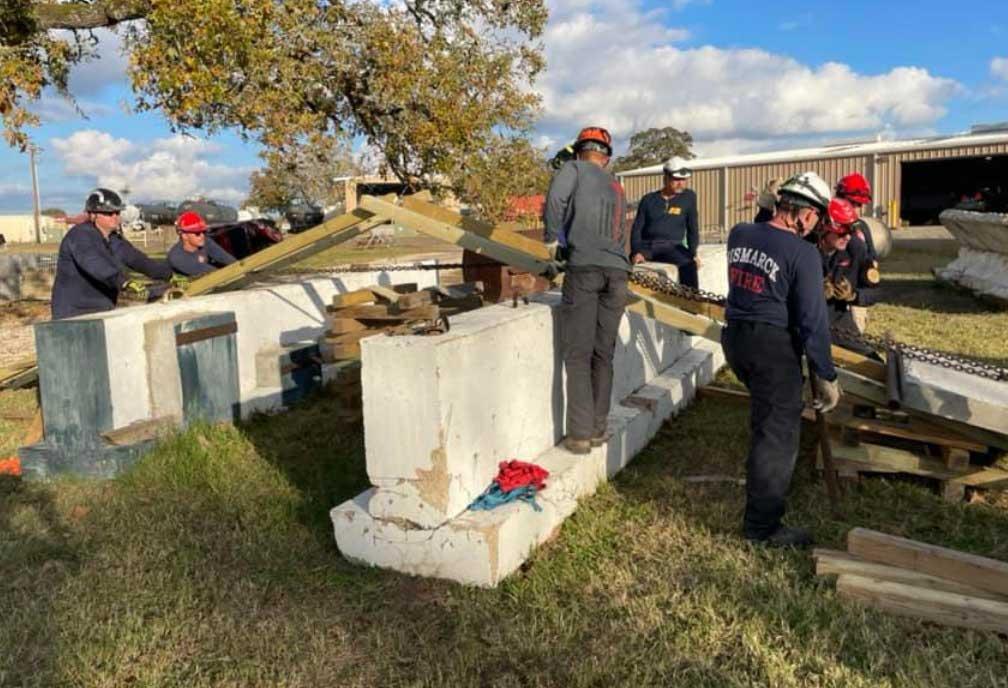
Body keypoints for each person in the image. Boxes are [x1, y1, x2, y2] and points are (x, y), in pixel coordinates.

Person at [721, 171, 840, 548]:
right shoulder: (803, 253)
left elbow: (762, 238)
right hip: (772, 347)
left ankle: (759, 489)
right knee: (778, 437)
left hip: (736, 339)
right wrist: (825, 373)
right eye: (817, 219)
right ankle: (762, 528)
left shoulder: (739, 234)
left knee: (765, 421)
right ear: (806, 215)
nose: (817, 227)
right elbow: (811, 320)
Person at [544, 126, 630, 454]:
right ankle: (597, 430)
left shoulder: (572, 168)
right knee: (602, 355)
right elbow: (621, 229)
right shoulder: (617, 186)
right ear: (606, 158)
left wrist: (553, 240)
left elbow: (555, 199)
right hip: (617, 275)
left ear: (580, 151)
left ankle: (579, 436)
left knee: (577, 355)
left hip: (584, 272)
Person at [51, 188, 172, 320]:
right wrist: (124, 282)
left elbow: (139, 260)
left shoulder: (113, 239)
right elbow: (95, 264)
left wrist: (169, 275)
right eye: (109, 213)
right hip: (73, 314)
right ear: (93, 215)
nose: (115, 216)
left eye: (117, 212)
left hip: (102, 310)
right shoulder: (80, 235)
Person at [818, 198, 880, 357]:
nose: (847, 237)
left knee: (871, 361)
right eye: (842, 232)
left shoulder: (855, 248)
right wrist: (815, 292)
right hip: (806, 320)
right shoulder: (804, 247)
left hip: (838, 320)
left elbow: (875, 292)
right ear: (824, 228)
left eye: (851, 232)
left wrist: (853, 295)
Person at [630, 156, 701, 288]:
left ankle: (691, 305)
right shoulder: (648, 200)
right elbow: (637, 229)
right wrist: (636, 251)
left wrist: (693, 253)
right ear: (666, 177)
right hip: (649, 246)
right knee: (635, 269)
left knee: (689, 265)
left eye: (684, 180)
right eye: (676, 180)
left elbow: (693, 228)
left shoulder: (689, 197)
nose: (681, 183)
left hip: (673, 247)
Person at [834, 173, 878, 332]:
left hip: (854, 298)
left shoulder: (862, 228)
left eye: (860, 205)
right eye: (853, 204)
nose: (857, 209)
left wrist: (855, 296)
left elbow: (871, 265)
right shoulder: (824, 226)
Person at [167, 211, 237, 277]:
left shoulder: (205, 241)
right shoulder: (177, 257)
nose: (202, 235)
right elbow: (211, 273)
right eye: (197, 233)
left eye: (203, 232)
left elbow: (225, 258)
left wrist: (239, 267)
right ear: (184, 236)